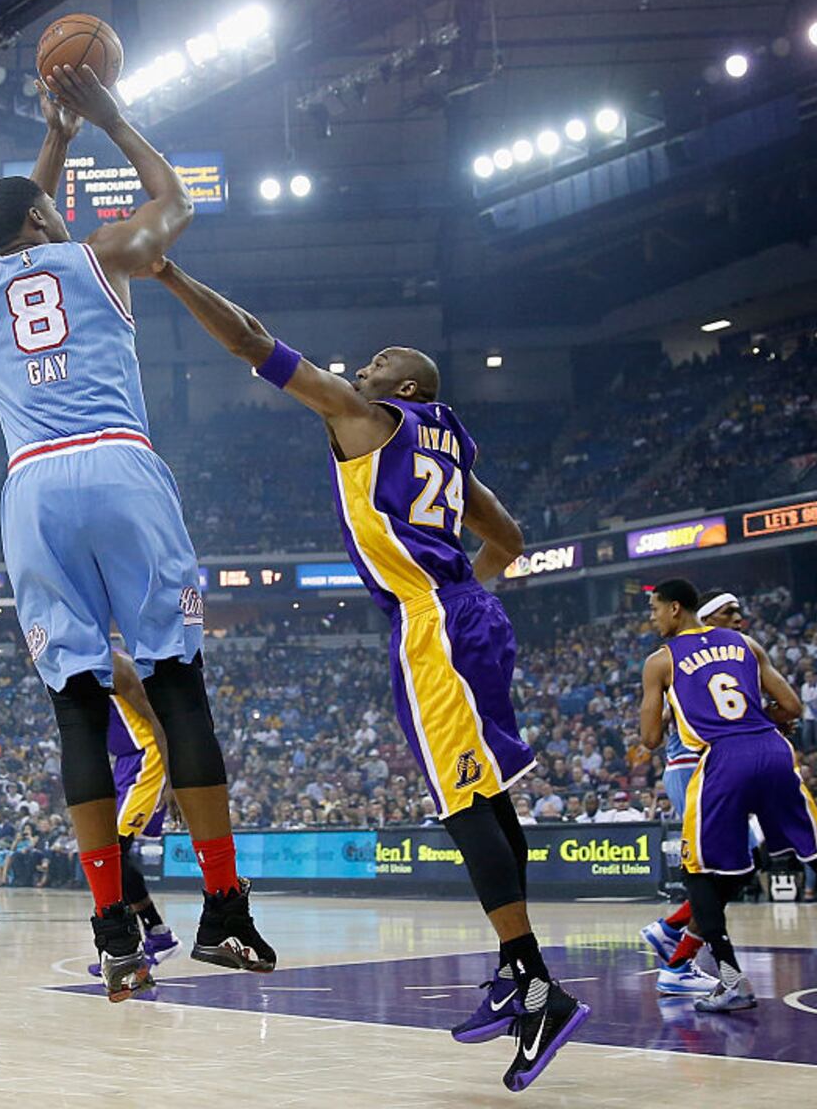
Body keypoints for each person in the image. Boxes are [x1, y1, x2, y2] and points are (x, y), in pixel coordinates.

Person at [146, 257, 587, 1093]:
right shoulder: (451, 444)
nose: (365, 364)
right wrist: (465, 595)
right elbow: (513, 537)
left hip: (436, 625)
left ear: (408, 385)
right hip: (469, 615)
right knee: (488, 797)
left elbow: (255, 344)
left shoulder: (369, 418)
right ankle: (514, 971)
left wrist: (171, 275)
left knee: (463, 806)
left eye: (383, 358)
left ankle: (534, 982)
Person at [0, 66, 271, 999]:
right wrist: (110, 120)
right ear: (49, 220)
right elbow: (174, 204)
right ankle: (223, 907)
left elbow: (15, 217)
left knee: (77, 711)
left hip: (30, 488)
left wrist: (49, 144)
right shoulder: (100, 256)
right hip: (119, 464)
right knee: (176, 686)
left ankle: (112, 930)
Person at [638, 580, 817, 1013]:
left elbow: (648, 739)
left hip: (721, 759)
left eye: (654, 609)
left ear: (676, 608)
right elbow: (792, 708)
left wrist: (673, 704)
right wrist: (758, 718)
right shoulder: (745, 643)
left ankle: (732, 981)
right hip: (773, 750)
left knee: (699, 874)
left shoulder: (660, 661)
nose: (652, 618)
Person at [641, 587, 743, 996]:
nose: (737, 622)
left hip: (710, 770)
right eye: (728, 614)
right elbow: (652, 732)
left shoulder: (719, 656)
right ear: (706, 619)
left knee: (735, 868)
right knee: (720, 872)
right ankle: (678, 957)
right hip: (692, 768)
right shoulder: (680, 657)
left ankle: (673, 934)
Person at [89, 651, 182, 981]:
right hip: (126, 763)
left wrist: (173, 781)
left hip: (147, 759)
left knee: (112, 851)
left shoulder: (115, 665)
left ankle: (147, 939)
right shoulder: (83, 663)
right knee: (110, 853)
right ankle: (152, 936)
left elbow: (158, 719)